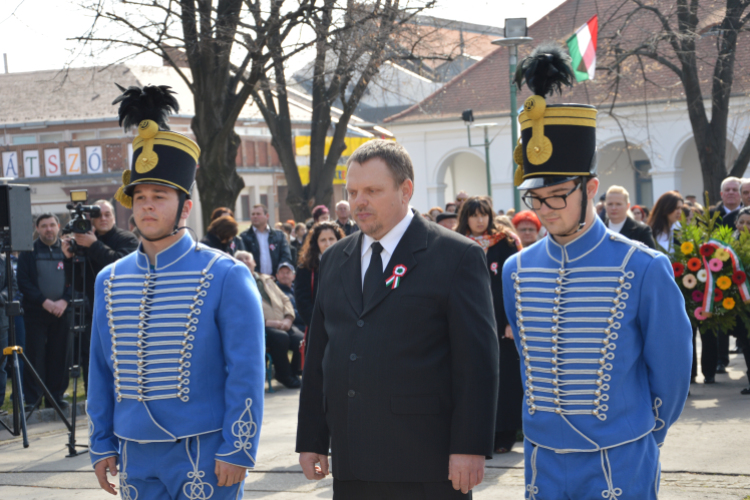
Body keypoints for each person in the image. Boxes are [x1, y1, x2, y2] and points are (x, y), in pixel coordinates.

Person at [504, 43, 692, 499]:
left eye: (557, 196)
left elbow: (671, 368)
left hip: (621, 456)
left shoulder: (643, 266)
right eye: (535, 198)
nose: (545, 209)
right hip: (542, 460)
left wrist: (646, 434)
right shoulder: (515, 270)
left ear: (590, 188)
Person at [87, 84, 265, 499]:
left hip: (206, 450)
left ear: (185, 206)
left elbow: (246, 370)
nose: (147, 206)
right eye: (141, 196)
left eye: (159, 196)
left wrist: (238, 448)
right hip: (133, 450)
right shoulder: (109, 280)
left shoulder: (225, 275)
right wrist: (100, 442)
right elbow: (100, 368)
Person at [297, 139, 499, 499]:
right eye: (353, 191)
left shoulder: (455, 256)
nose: (359, 201)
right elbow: (319, 355)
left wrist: (470, 446)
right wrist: (312, 438)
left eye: (373, 190)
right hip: (353, 463)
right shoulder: (334, 259)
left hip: (427, 463)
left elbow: (477, 361)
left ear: (406, 190)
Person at [457, 196, 521, 455]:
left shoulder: (504, 242)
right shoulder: (457, 243)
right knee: (475, 380)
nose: (480, 220)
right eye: (474, 215)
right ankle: (482, 435)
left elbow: (514, 283)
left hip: (500, 322)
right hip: (470, 322)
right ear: (466, 218)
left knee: (505, 380)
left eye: (484, 214)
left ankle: (505, 435)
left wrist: (510, 321)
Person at [61, 199, 139, 392]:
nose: (103, 218)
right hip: (93, 311)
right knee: (93, 363)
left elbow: (121, 266)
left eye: (107, 214)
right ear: (91, 219)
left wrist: (94, 245)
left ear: (113, 216)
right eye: (98, 215)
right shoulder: (83, 242)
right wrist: (69, 259)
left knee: (124, 363)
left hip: (124, 313)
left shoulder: (127, 238)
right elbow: (78, 283)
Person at [17, 214, 72, 411]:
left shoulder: (68, 250)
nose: (48, 229)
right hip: (36, 313)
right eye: (44, 226)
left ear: (58, 226)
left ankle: (55, 398)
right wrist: (44, 302)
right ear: (37, 228)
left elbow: (77, 277)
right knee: (35, 356)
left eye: (51, 225)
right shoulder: (28, 252)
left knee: (60, 355)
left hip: (62, 313)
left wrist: (65, 301)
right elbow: (23, 281)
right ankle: (33, 400)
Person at [236, 251, 304, 389]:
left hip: (283, 323)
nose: (244, 261)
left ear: (254, 262)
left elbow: (285, 299)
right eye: (240, 259)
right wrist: (267, 322)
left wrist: (289, 319)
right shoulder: (237, 282)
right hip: (260, 327)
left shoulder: (267, 279)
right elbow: (241, 310)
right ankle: (284, 375)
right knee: (281, 338)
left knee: (301, 339)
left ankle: (295, 373)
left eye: (247, 258)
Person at [293, 222, 344, 330]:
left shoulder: (350, 264)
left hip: (345, 328)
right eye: (323, 240)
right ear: (316, 243)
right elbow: (303, 303)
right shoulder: (305, 269)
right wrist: (319, 325)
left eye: (331, 238)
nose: (328, 243)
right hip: (319, 329)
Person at [239, 204, 293, 277]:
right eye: (253, 214)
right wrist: (259, 276)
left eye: (258, 214)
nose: (255, 216)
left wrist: (278, 274)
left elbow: (286, 256)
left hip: (276, 280)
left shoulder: (279, 235)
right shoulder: (244, 237)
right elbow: (244, 261)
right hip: (255, 280)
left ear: (267, 216)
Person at [734, 207, 750, 394]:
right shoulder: (730, 245)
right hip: (741, 303)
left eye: (749, 223)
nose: (745, 226)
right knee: (746, 342)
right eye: (742, 222)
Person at [275, 262, 306, 332]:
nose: (285, 275)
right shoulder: (274, 291)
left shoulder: (300, 289)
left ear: (294, 276)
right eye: (282, 273)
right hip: (291, 325)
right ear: (277, 276)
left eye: (288, 273)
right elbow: (286, 311)